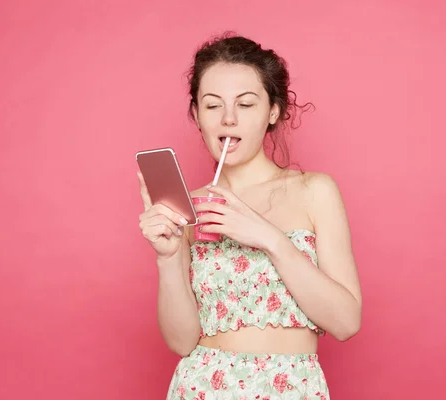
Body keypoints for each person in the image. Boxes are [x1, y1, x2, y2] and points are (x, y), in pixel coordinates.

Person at [137, 32, 362, 400]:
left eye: (245, 104)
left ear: (272, 111)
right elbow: (181, 342)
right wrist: (167, 258)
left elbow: (346, 322)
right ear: (196, 114)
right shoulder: (188, 208)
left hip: (291, 387)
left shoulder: (314, 191)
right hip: (202, 387)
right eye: (212, 106)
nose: (228, 119)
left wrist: (269, 238)